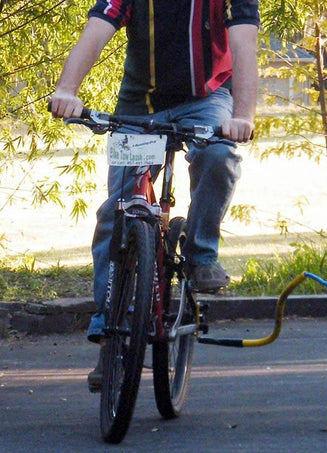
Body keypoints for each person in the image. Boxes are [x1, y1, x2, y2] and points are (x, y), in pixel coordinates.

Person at [50, 0, 260, 392]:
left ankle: (200, 255)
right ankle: (111, 332)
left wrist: (243, 116)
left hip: (206, 101)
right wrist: (67, 89)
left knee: (219, 155)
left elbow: (245, 45)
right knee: (116, 214)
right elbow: (97, 30)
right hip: (139, 106)